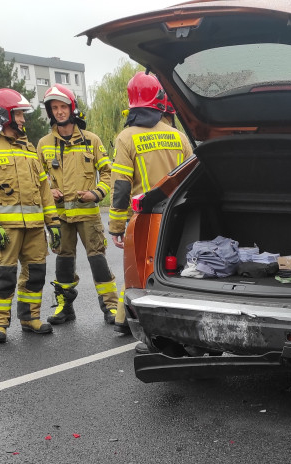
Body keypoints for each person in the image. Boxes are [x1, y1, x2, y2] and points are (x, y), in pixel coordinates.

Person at [0, 88, 61, 342]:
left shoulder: (29, 148)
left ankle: (30, 318)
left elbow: (44, 188)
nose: (22, 119)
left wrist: (52, 223)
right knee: (5, 276)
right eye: (18, 114)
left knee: (35, 275)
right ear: (3, 115)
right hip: (6, 228)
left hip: (34, 228)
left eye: (22, 114)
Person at [109, 72, 192, 334]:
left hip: (144, 216)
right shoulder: (178, 136)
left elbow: (121, 187)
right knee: (173, 268)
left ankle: (125, 320)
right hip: (177, 214)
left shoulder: (126, 138)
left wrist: (116, 225)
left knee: (137, 270)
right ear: (159, 99)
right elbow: (194, 175)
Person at [36, 85, 118, 325]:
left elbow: (108, 173)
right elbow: (37, 180)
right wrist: (50, 190)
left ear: (72, 109)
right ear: (50, 112)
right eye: (54, 108)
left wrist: (96, 193)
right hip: (60, 217)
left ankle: (111, 308)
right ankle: (64, 308)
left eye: (63, 107)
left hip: (88, 216)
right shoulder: (43, 144)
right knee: (63, 263)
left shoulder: (91, 140)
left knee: (98, 261)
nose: (59, 112)